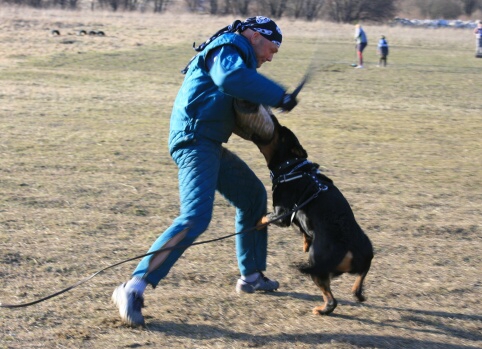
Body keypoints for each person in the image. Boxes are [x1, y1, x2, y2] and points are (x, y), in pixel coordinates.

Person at [112, 16, 299, 327]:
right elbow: (230, 79)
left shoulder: (238, 53)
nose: (270, 56)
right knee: (196, 217)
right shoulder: (229, 46)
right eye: (271, 48)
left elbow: (235, 97)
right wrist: (278, 95)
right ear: (254, 35)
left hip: (208, 142)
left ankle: (251, 276)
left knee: (253, 196)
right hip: (194, 140)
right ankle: (132, 288)